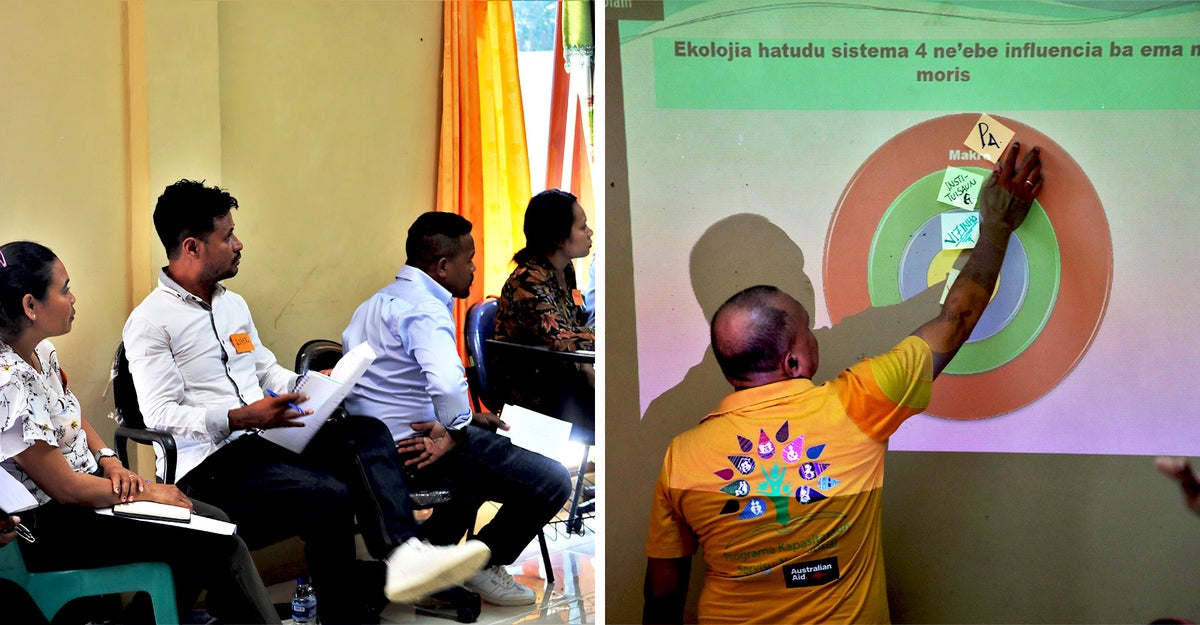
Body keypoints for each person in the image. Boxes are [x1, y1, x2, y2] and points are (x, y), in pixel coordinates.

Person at [643, 143, 1044, 624]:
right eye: (807, 329)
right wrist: (997, 223)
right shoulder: (860, 403)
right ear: (794, 360)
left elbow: (662, 597)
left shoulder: (680, 457)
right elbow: (956, 319)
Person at [121, 180, 490, 624]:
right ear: (192, 247)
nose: (239, 244)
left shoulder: (233, 305)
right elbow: (160, 414)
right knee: (330, 494)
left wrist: (312, 384)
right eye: (228, 236)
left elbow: (264, 371)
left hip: (262, 443)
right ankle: (346, 614)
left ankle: (402, 554)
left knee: (365, 432)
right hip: (209, 466)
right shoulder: (150, 322)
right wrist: (240, 417)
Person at [0, 240, 279, 623]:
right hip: (56, 524)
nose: (73, 298)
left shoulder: (42, 351)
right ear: (31, 306)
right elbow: (64, 488)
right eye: (64, 290)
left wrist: (110, 460)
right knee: (216, 538)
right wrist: (148, 490)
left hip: (92, 491)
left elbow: (70, 415)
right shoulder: (8, 382)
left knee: (209, 526)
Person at [342, 211, 572, 607]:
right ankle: (482, 565)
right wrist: (458, 430)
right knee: (553, 481)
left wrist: (466, 421)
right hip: (420, 449)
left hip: (375, 453)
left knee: (484, 459)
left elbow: (394, 387)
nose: (474, 268)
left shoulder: (372, 304)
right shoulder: (425, 309)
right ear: (443, 266)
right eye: (470, 260)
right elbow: (447, 385)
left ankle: (431, 559)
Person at [494, 189, 596, 440]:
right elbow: (561, 339)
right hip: (536, 390)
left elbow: (575, 322)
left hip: (564, 375)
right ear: (560, 238)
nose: (590, 232)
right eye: (582, 227)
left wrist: (587, 367)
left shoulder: (564, 269)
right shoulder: (527, 283)